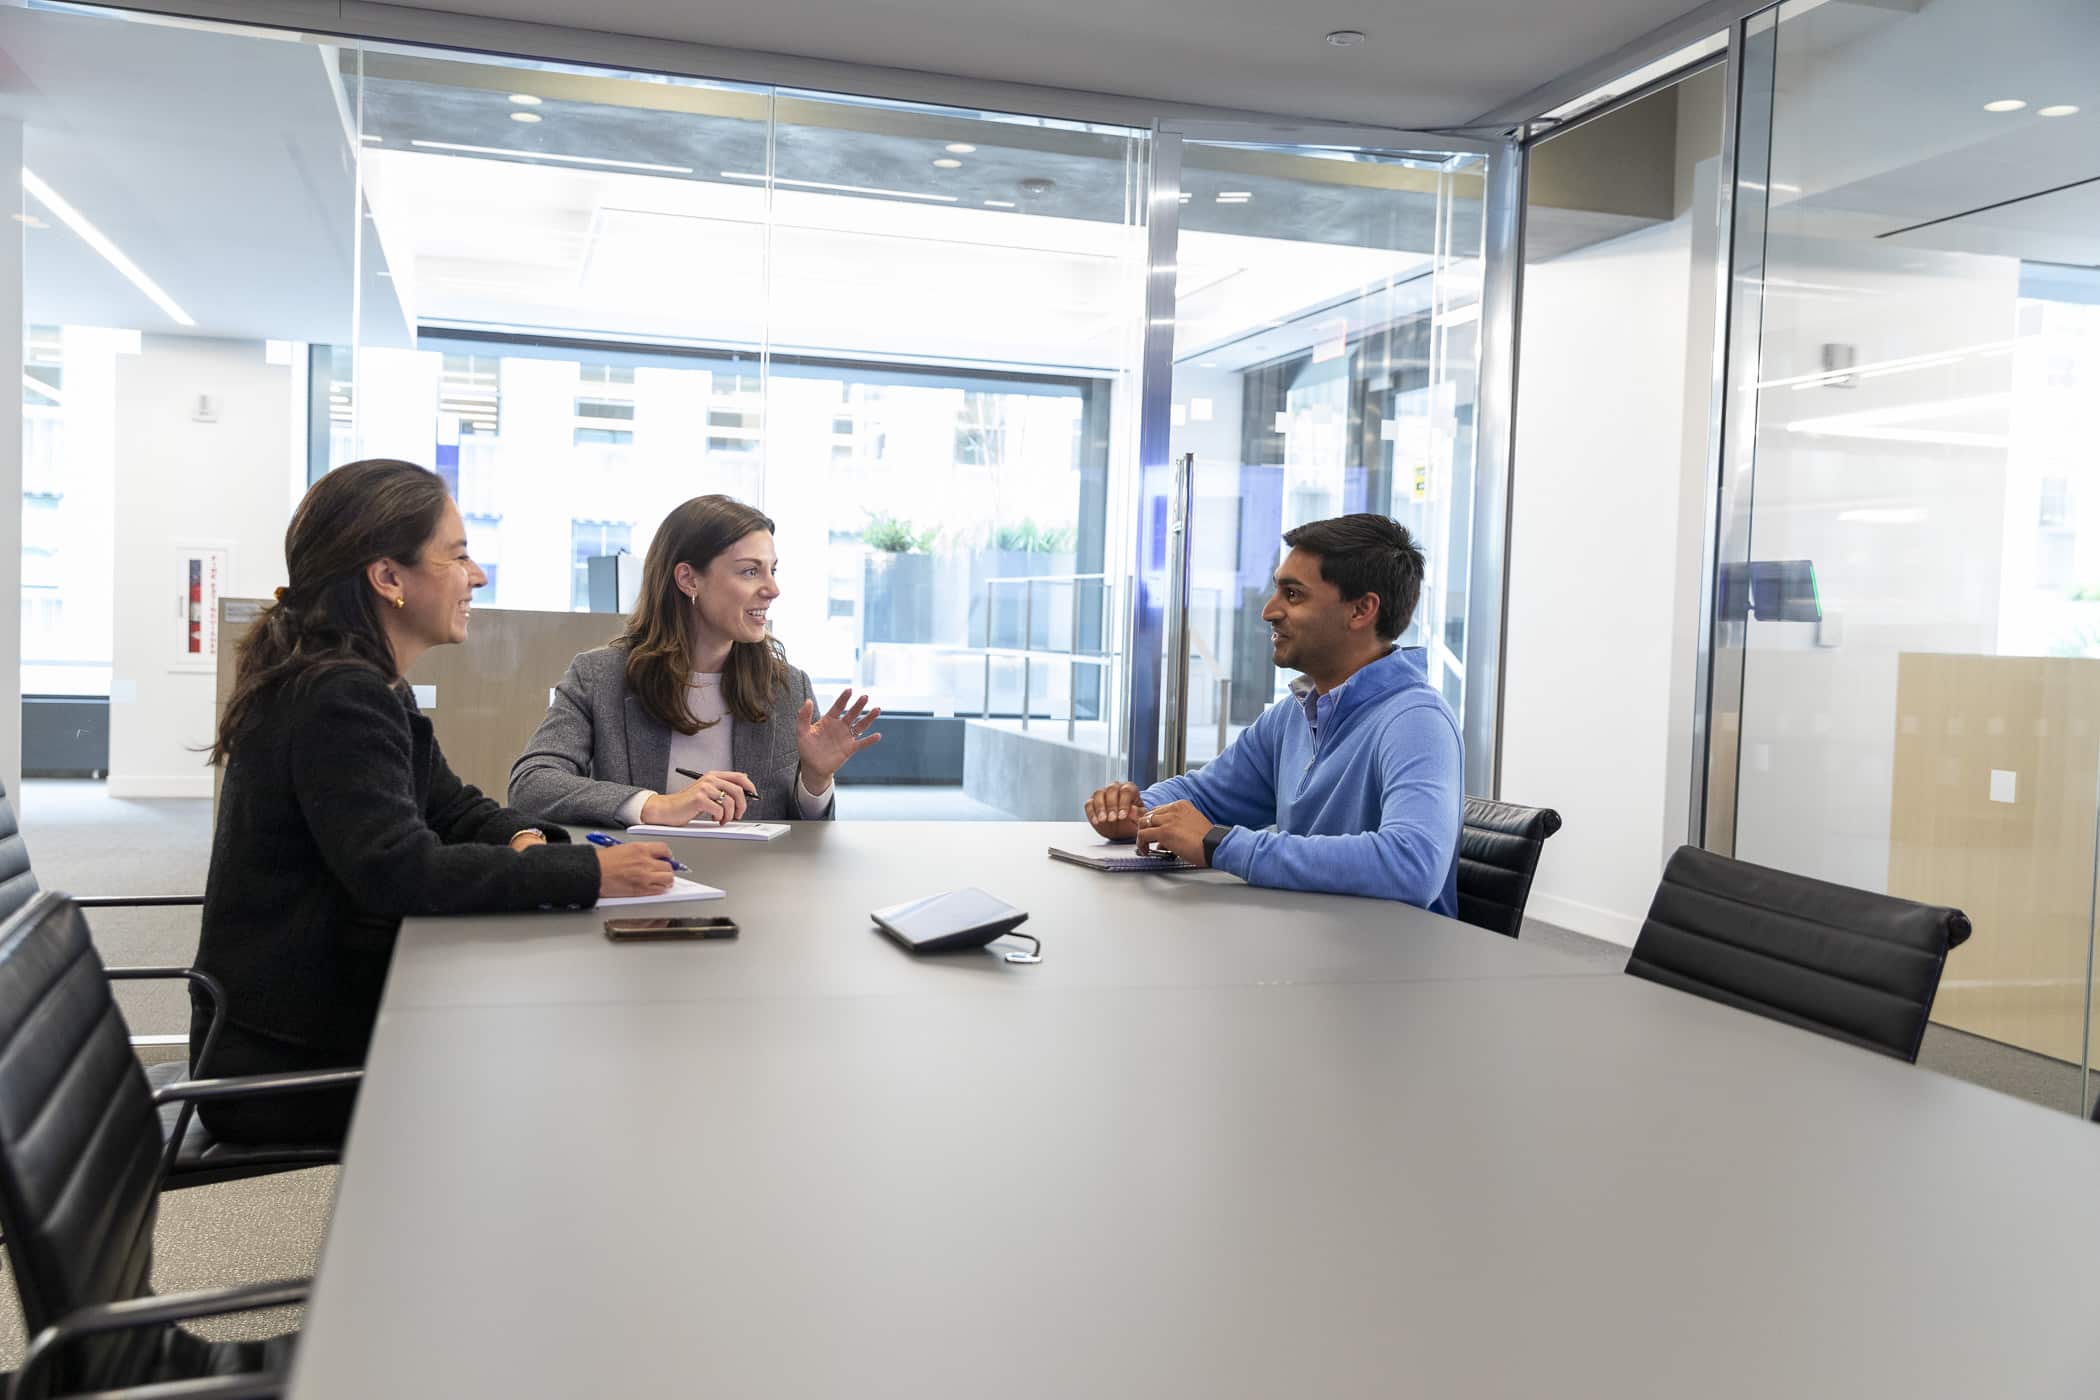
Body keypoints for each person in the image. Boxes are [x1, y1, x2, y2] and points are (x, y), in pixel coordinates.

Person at [197, 459, 675, 1146]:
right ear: (388, 578)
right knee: (558, 1073)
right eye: (457, 556)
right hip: (285, 1061)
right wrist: (592, 874)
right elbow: (401, 871)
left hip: (314, 1021)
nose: (475, 576)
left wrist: (528, 841)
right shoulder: (338, 696)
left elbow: (450, 805)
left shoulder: (364, 682)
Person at [1083, 514, 1462, 911]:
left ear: (1361, 610)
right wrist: (1137, 811)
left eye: (1293, 595)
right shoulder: (1294, 715)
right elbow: (1204, 795)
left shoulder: (1417, 720)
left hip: (1389, 964)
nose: (1269, 611)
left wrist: (1218, 844)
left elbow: (1412, 865)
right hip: (1312, 945)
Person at [509, 495, 880, 828]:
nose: (772, 589)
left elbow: (805, 834)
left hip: (758, 891)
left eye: (773, 570)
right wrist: (655, 806)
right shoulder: (600, 676)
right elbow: (532, 783)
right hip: (648, 885)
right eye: (750, 571)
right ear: (688, 579)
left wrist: (815, 781)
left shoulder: (786, 686)